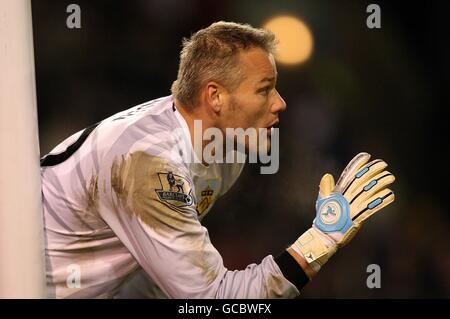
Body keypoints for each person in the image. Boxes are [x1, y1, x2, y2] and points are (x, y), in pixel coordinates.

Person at [41, 21, 395, 298]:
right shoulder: (150, 165)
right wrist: (320, 241)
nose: (280, 102)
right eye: (264, 88)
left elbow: (157, 276)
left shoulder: (223, 151)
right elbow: (215, 299)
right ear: (216, 97)